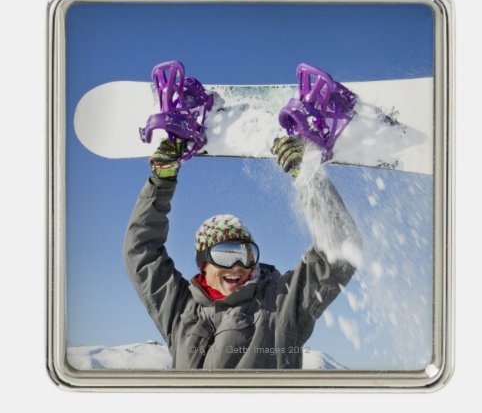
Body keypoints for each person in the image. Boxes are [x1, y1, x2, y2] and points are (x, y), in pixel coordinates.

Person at [123, 136, 362, 369]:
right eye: (226, 254)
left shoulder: (280, 304)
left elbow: (340, 251)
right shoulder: (180, 310)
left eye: (247, 255)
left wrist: (307, 178)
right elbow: (141, 252)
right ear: (204, 264)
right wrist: (161, 183)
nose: (238, 265)